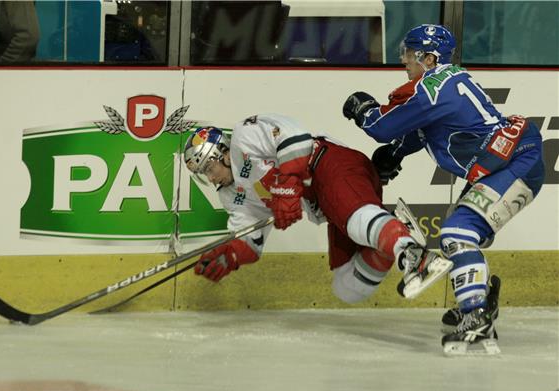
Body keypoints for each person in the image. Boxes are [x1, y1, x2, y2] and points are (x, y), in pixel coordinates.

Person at [342, 24, 545, 354]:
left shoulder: (431, 89)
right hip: (512, 157)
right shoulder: (443, 82)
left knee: (456, 233)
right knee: (461, 232)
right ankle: (478, 301)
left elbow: (382, 126)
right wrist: (396, 153)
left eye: (409, 52)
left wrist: (361, 109)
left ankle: (475, 314)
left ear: (428, 57)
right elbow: (421, 129)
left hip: (514, 161)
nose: (403, 59)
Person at [183, 114, 454, 308]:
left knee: (355, 221)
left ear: (223, 153)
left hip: (329, 164)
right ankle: (392, 231)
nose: (211, 178)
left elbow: (294, 137)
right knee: (349, 287)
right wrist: (229, 254)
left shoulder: (244, 136)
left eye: (209, 168)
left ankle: (416, 257)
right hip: (327, 201)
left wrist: (288, 185)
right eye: (203, 174)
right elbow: (250, 243)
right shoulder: (234, 196)